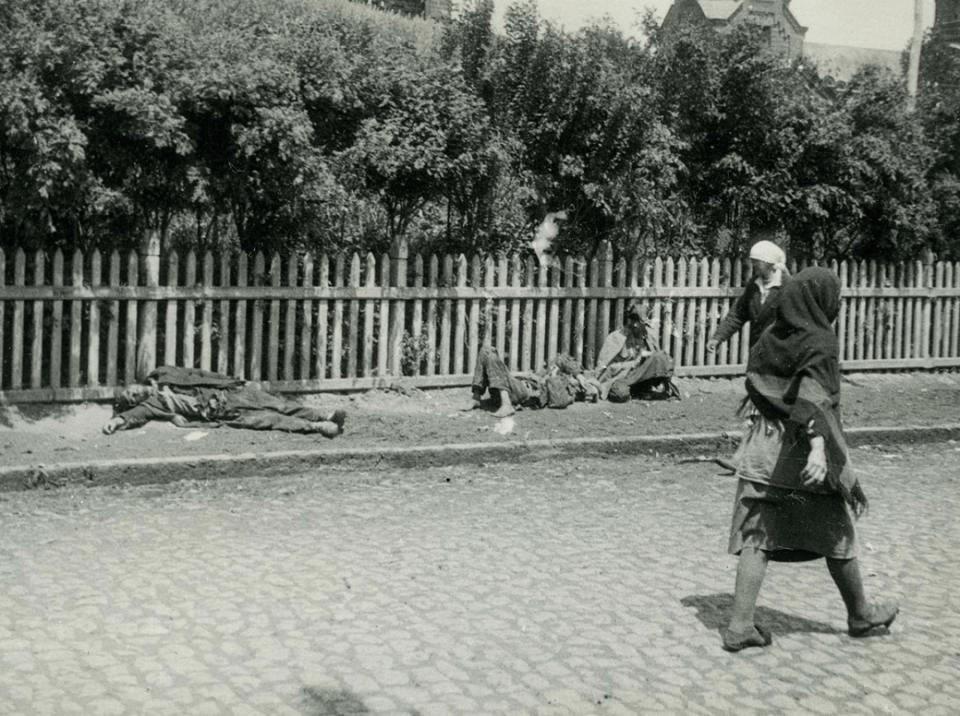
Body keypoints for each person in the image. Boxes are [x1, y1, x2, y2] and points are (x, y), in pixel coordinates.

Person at [722, 267, 898, 652]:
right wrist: (819, 446)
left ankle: (739, 626)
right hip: (800, 456)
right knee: (837, 531)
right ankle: (861, 615)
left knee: (758, 536)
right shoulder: (820, 340)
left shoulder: (771, 335)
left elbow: (756, 382)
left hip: (762, 449)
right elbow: (813, 396)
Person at [103, 366, 346, 437]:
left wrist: (232, 381)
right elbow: (134, 416)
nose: (134, 395)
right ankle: (317, 428)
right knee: (269, 420)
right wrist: (117, 421)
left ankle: (323, 415)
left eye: (131, 391)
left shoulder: (163, 373)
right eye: (131, 399)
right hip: (221, 412)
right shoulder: (151, 405)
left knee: (279, 404)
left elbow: (199, 374)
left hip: (229, 392)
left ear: (133, 384)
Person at [707, 240, 790, 355]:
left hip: (782, 351)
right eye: (753, 261)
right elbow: (737, 314)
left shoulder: (788, 286)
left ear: (769, 262)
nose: (754, 265)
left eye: (757, 261)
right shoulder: (754, 285)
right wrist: (718, 337)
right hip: (758, 350)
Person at [469, 346, 599, 417]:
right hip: (511, 387)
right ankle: (476, 397)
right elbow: (562, 359)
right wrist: (579, 375)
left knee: (490, 356)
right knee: (486, 350)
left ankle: (506, 405)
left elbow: (558, 401)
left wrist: (554, 377)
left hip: (522, 393)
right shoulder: (563, 373)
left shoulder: (569, 391)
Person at [594, 302, 680, 402]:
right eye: (633, 319)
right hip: (621, 377)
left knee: (661, 356)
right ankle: (637, 392)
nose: (635, 324)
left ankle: (669, 393)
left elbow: (662, 364)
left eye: (639, 321)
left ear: (646, 322)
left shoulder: (650, 337)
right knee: (621, 394)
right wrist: (636, 361)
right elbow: (606, 368)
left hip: (641, 378)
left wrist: (648, 357)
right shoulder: (616, 338)